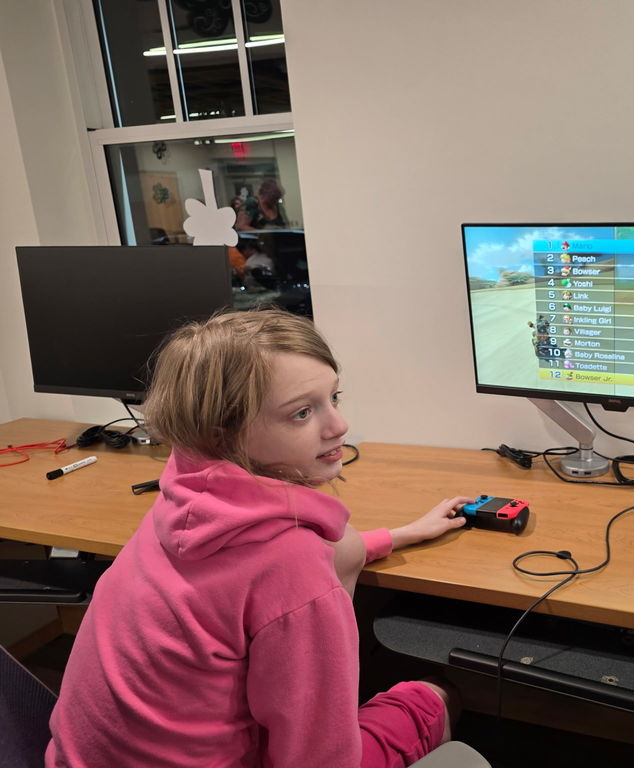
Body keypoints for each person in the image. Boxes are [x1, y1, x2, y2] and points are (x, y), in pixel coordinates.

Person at [46, 309, 473, 768]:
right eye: (302, 413)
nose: (338, 426)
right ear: (222, 432)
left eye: (335, 397)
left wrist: (402, 534)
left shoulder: (189, 495)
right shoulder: (291, 566)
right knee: (431, 696)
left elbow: (269, 577)